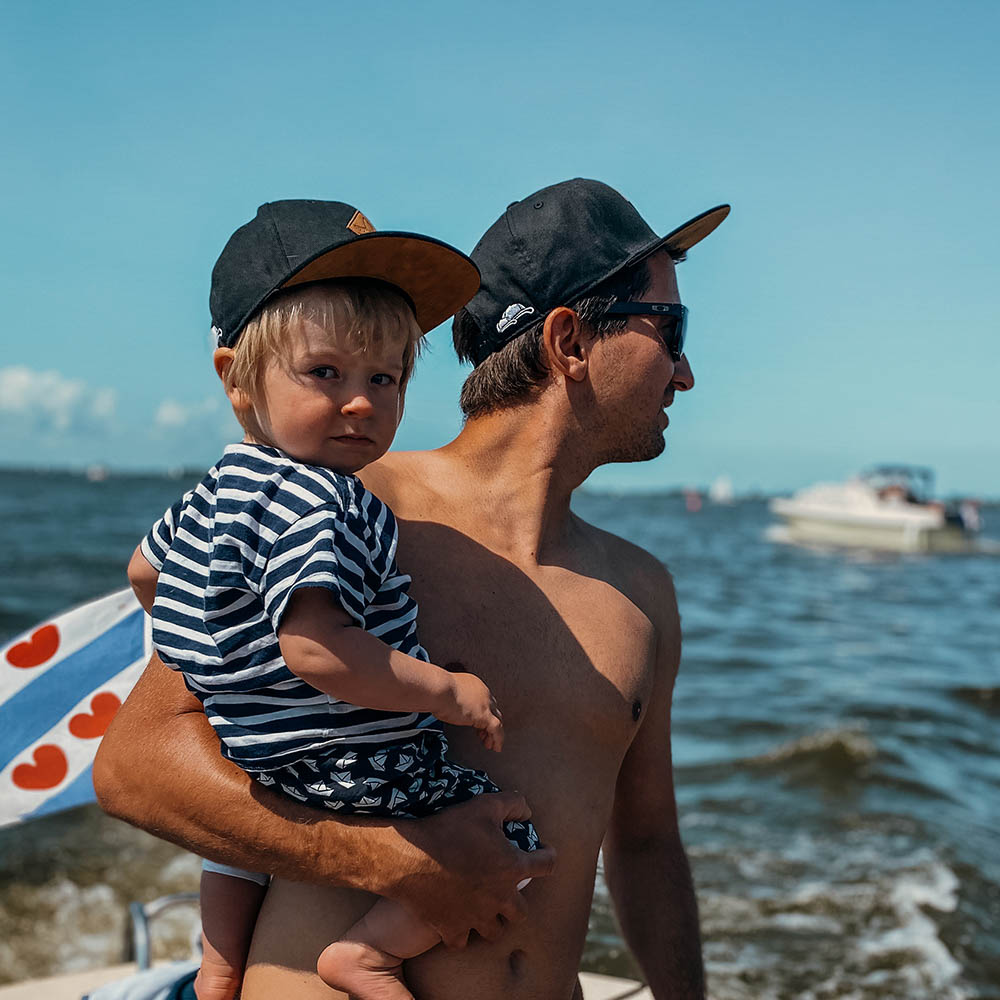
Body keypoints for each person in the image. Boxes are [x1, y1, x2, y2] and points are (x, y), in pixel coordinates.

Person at [96, 178, 729, 1000]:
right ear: (571, 341)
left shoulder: (644, 594)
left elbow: (645, 846)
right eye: (670, 331)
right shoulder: (342, 507)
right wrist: (394, 861)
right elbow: (138, 767)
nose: (685, 374)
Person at [124, 199, 539, 1000]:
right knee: (507, 826)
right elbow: (317, 650)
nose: (361, 402)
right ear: (236, 379)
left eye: (384, 378)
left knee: (231, 842)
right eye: (326, 373)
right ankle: (369, 954)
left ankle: (217, 967)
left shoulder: (220, 486)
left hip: (250, 753)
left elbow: (146, 573)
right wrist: (446, 690)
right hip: (347, 762)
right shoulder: (322, 501)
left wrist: (226, 653)